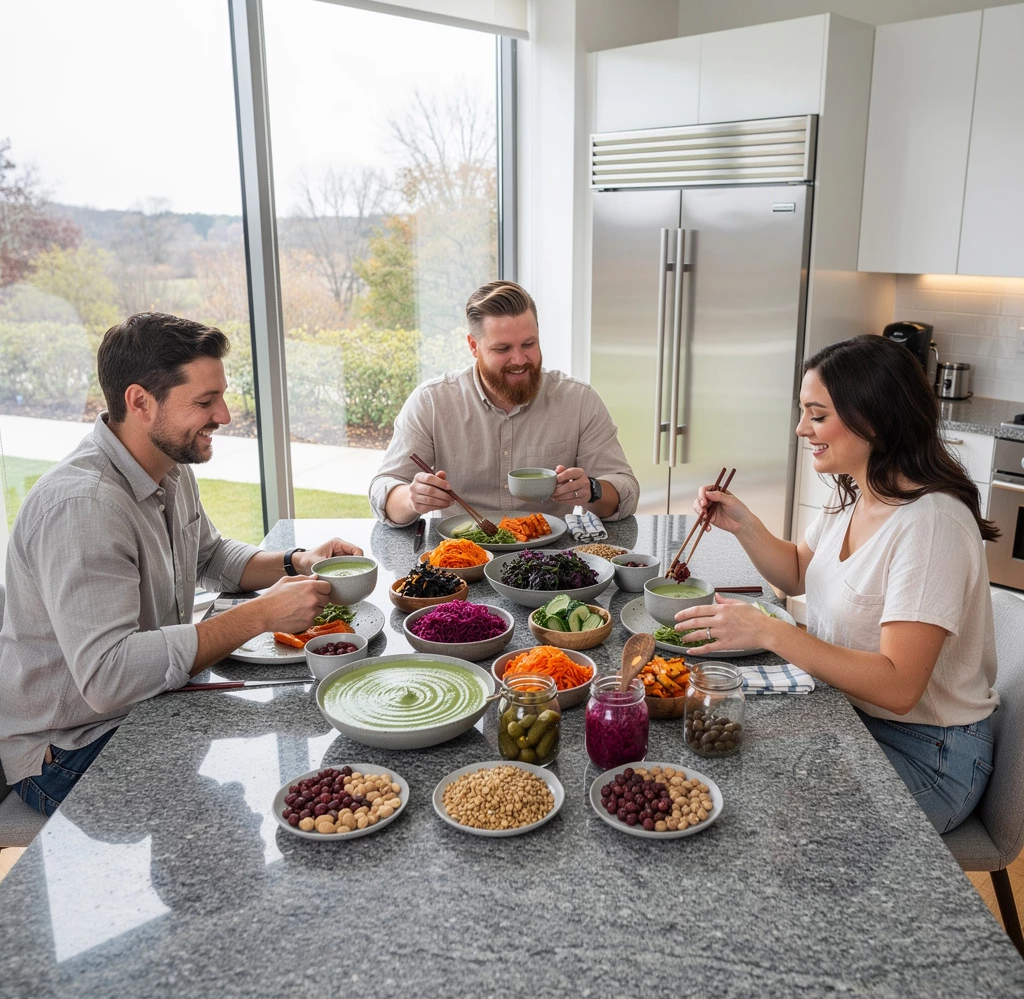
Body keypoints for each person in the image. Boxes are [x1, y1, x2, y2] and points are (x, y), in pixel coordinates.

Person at [0, 312, 361, 815]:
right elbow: (109, 676)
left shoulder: (167, 465)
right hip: (71, 748)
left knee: (314, 732)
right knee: (295, 775)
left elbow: (210, 554)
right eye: (205, 401)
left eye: (222, 396)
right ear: (140, 402)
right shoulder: (85, 505)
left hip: (147, 703)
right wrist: (259, 615)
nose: (226, 415)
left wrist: (299, 561)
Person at [675, 334, 999, 834]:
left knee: (763, 807)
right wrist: (743, 524)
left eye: (817, 414)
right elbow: (800, 573)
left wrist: (769, 632)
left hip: (929, 753)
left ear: (874, 418)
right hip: (850, 713)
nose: (802, 428)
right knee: (729, 758)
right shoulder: (856, 494)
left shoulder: (931, 525)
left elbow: (898, 687)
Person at [369, 281, 639, 526]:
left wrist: (593, 489)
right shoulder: (432, 402)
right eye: (503, 349)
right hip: (462, 558)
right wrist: (411, 498)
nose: (520, 359)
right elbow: (383, 490)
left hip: (549, 560)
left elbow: (625, 491)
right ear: (474, 346)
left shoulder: (578, 400)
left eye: (529, 344)